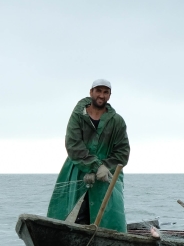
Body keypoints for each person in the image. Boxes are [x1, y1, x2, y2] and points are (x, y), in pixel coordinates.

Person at [46, 79, 130, 231]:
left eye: (106, 92)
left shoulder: (117, 121)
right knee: (70, 215)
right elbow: (73, 144)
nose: (101, 95)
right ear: (91, 92)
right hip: (77, 169)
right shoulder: (78, 116)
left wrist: (105, 167)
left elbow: (123, 152)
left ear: (110, 95)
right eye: (98, 91)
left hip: (108, 174)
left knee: (111, 221)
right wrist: (95, 167)